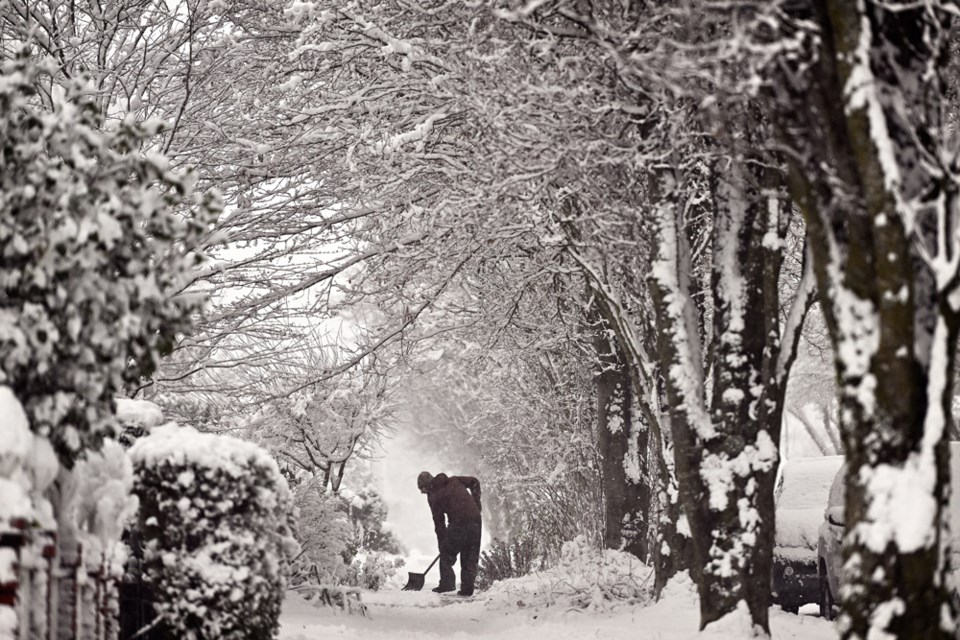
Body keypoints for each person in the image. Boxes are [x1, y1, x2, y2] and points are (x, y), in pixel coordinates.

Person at [417, 471, 482, 596]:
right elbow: (474, 481)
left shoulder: (433, 495)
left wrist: (442, 545)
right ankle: (467, 589)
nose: (422, 492)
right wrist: (476, 504)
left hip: (458, 523)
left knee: (446, 555)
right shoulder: (454, 480)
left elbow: (439, 523)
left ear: (427, 486)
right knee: (470, 555)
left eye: (422, 489)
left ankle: (447, 584)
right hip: (475, 520)